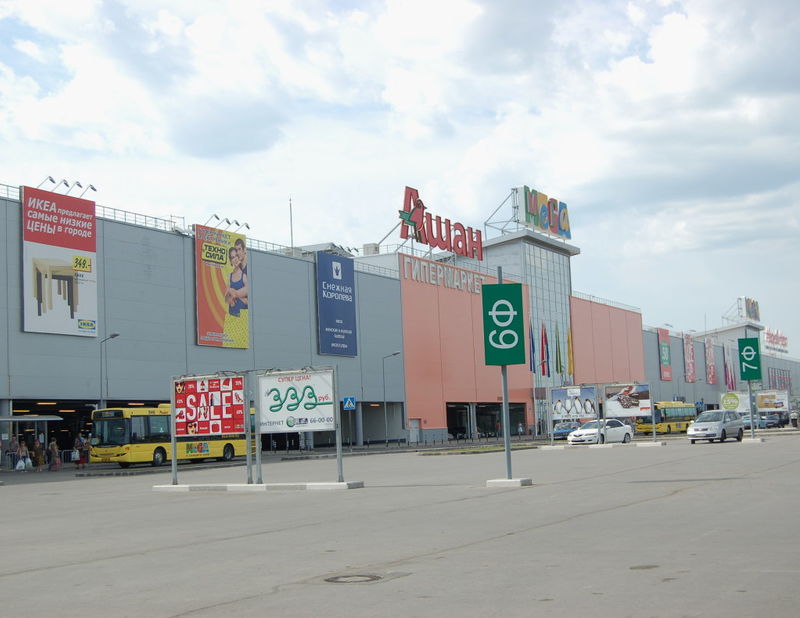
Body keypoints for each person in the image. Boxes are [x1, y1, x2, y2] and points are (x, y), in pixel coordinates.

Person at [224, 246, 248, 316]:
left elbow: (248, 299)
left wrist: (232, 293)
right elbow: (226, 298)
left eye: (236, 256)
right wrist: (230, 296)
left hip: (242, 316)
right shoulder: (230, 276)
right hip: (231, 314)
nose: (235, 259)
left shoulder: (244, 275)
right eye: (233, 257)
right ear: (231, 261)